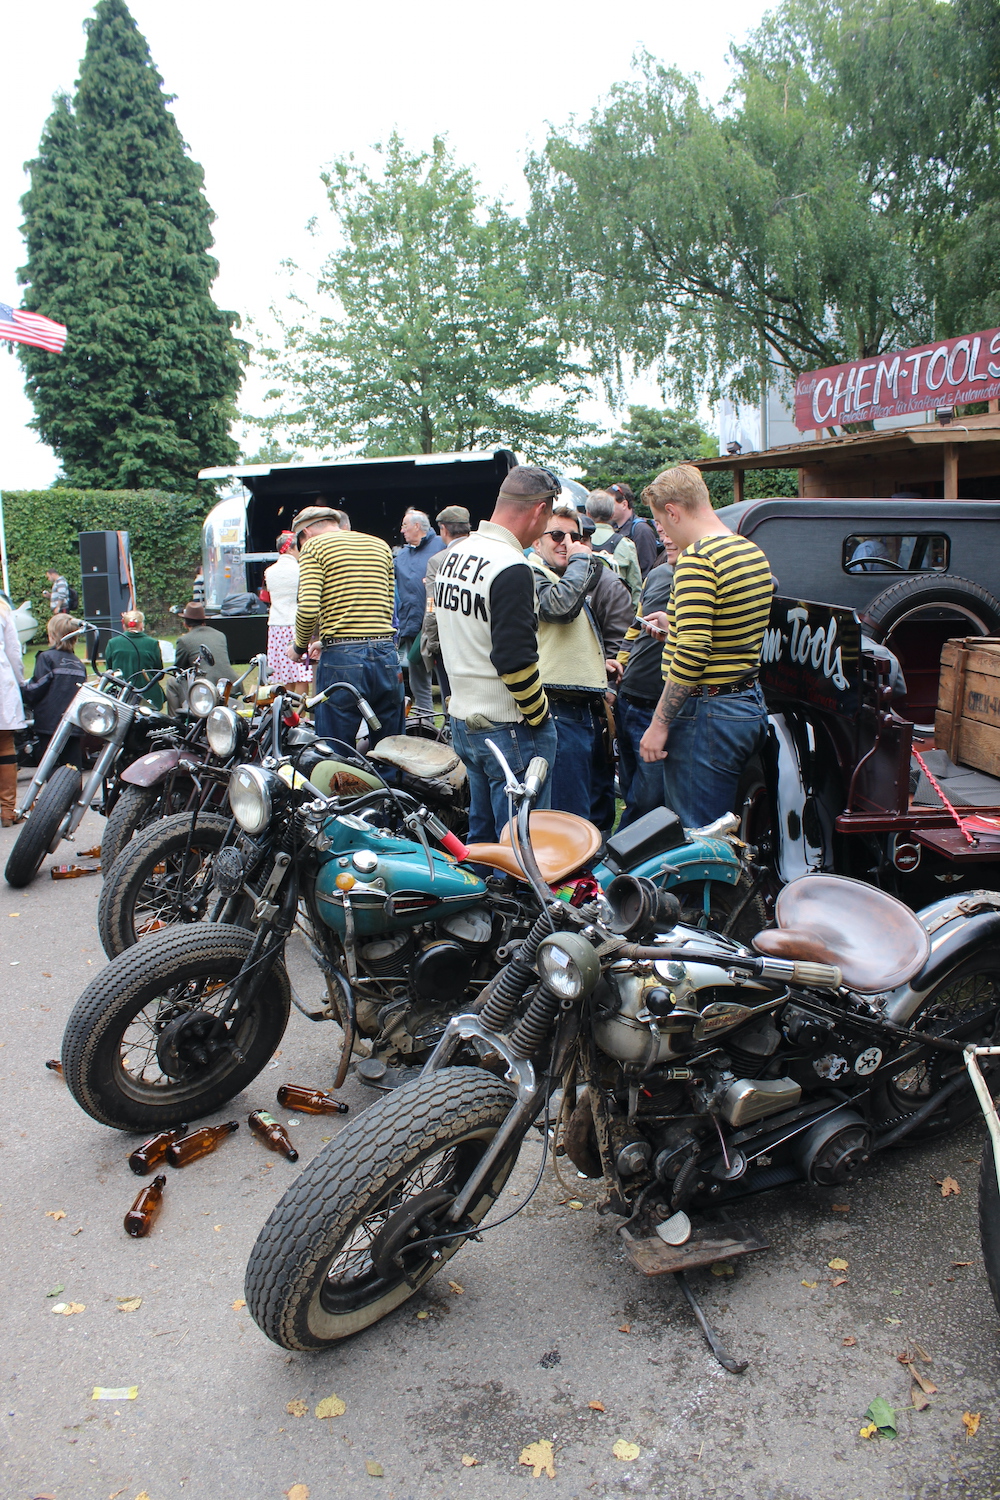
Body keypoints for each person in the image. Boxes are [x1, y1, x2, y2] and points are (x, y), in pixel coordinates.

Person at [638, 465, 773, 828]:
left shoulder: (697, 559)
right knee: (725, 827)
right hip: (745, 705)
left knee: (700, 836)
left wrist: (659, 723)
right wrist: (676, 625)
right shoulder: (749, 551)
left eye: (659, 521)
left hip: (706, 714)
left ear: (672, 511)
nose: (663, 531)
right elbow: (730, 627)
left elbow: (695, 653)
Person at [435, 465, 561, 843]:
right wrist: (539, 716)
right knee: (521, 845)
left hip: (464, 718)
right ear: (540, 509)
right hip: (509, 725)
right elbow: (514, 659)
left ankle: (479, 902)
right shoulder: (511, 565)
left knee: (484, 836)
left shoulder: (455, 554)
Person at [288, 505, 403, 750]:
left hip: (343, 660)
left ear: (305, 533)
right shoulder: (380, 545)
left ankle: (342, 789)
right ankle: (392, 787)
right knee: (392, 748)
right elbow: (388, 605)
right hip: (386, 653)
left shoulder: (314, 547)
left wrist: (299, 647)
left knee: (335, 748)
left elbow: (308, 608)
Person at [525, 502, 608, 824]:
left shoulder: (559, 575)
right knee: (568, 815)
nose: (568, 543)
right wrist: (581, 559)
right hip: (557, 710)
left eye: (576, 536)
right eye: (557, 534)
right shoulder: (530, 572)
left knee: (587, 810)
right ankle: (568, 875)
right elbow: (558, 609)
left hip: (579, 709)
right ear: (536, 542)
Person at [610, 527, 678, 827]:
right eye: (663, 531)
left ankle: (623, 861)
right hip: (628, 698)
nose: (666, 538)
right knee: (630, 787)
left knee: (646, 800)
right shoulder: (659, 574)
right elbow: (635, 627)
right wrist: (616, 678)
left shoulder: (706, 576)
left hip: (657, 706)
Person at [394, 509, 445, 716]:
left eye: (405, 526)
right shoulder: (402, 555)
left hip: (440, 627)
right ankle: (427, 726)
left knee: (446, 679)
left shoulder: (441, 545)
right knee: (418, 683)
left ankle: (452, 726)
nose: (402, 530)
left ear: (417, 526)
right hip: (413, 627)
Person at [420, 505, 472, 703]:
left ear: (443, 529)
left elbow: (432, 605)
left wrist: (432, 642)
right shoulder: (486, 554)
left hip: (450, 643)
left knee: (452, 701)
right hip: (482, 639)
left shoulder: (438, 561)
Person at [24, 614, 87, 768]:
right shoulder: (79, 664)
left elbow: (37, 688)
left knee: (50, 768)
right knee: (72, 768)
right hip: (73, 724)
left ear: (52, 635)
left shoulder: (46, 658)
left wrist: (21, 692)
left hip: (49, 724)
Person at [263, 532, 312, 691]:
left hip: (276, 625)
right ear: (291, 549)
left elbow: (266, 595)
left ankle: (285, 712)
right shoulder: (300, 569)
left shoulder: (269, 571)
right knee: (300, 674)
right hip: (295, 623)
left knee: (283, 674)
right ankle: (300, 715)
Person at [165, 604, 235, 713]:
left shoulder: (184, 640)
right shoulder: (220, 635)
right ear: (204, 620)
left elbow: (178, 670)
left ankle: (175, 721)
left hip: (207, 688)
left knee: (172, 682)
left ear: (185, 623)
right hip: (231, 685)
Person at [586, 491, 642, 606]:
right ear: (612, 514)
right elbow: (636, 587)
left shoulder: (577, 542)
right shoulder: (625, 545)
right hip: (617, 611)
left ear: (588, 513)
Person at [0, 597, 26, 825]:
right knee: (5, 745)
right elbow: (13, 650)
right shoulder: (2, 610)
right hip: (1, 682)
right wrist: (20, 681)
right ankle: (7, 810)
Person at [103, 610, 165, 708]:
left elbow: (110, 671)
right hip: (147, 694)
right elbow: (159, 673)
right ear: (141, 625)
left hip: (120, 695)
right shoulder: (152, 643)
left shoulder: (112, 643)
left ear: (124, 625)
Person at [608, 482, 661, 577]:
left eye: (610, 504)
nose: (607, 507)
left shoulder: (642, 530)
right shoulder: (611, 527)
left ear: (624, 504)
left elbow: (647, 572)